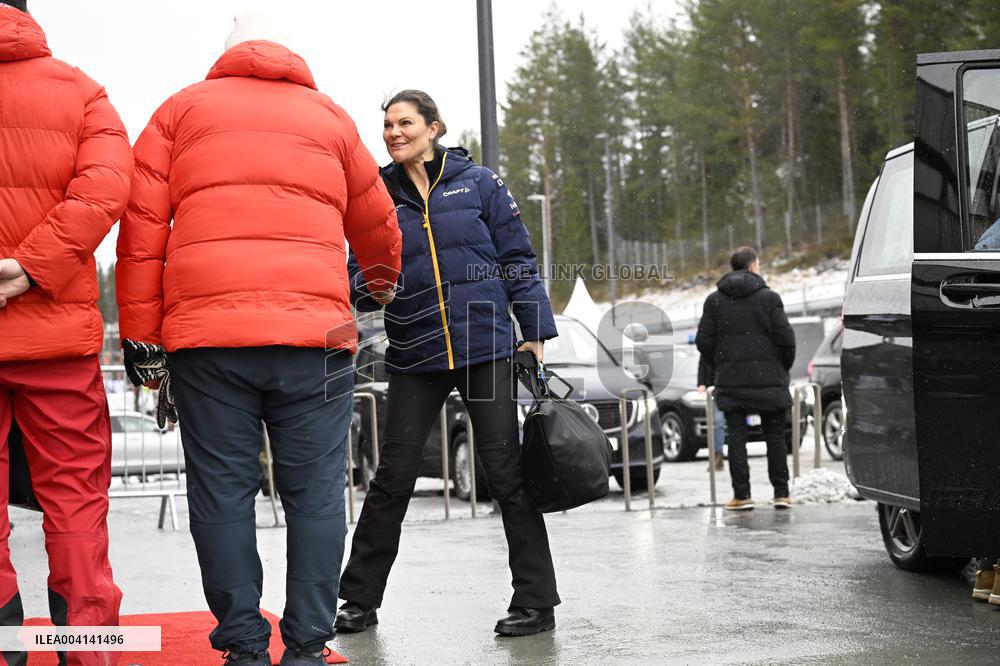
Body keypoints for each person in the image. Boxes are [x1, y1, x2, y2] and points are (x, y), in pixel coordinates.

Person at [116, 13, 401, 666]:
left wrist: (139, 336)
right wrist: (380, 285)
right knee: (317, 496)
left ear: (226, 57)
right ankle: (305, 647)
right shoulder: (328, 117)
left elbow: (142, 229)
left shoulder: (177, 113)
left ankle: (244, 645)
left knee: (222, 493)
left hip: (209, 342)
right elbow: (378, 221)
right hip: (315, 340)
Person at [337, 90, 561, 637]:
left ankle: (535, 601)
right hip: (414, 352)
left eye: (404, 122)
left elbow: (517, 259)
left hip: (483, 347)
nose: (392, 132)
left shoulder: (479, 183)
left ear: (433, 128)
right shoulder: (374, 197)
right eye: (387, 124)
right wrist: (372, 289)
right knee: (392, 478)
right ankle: (358, 602)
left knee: (506, 474)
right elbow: (356, 275)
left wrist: (533, 334)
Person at [0, 3, 133, 664]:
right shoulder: (83, 92)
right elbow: (106, 189)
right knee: (77, 506)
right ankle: (89, 652)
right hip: (59, 337)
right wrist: (30, 266)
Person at [695, 247, 796, 511]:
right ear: (752, 267)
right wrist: (779, 368)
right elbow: (787, 340)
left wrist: (722, 363)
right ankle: (781, 493)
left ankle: (742, 495)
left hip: (731, 381)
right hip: (770, 379)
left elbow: (703, 341)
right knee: (775, 436)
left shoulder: (714, 301)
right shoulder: (770, 298)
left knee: (736, 437)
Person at [697, 356, 725, 471]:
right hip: (714, 387)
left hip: (726, 385)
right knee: (718, 423)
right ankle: (718, 455)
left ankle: (735, 455)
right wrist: (701, 383)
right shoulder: (711, 343)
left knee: (721, 423)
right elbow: (703, 362)